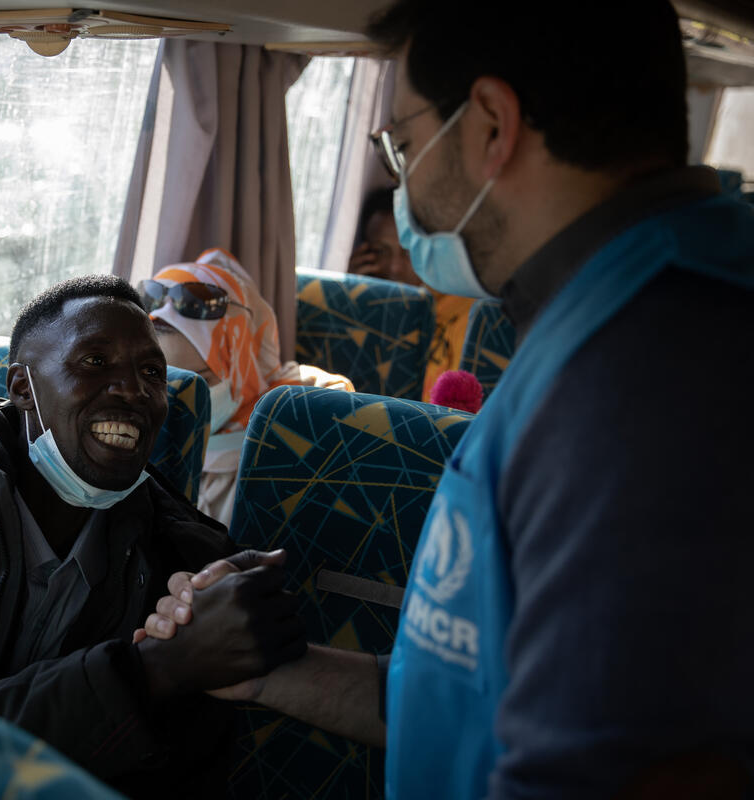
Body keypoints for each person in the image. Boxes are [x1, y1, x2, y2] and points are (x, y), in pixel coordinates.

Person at [137, 1, 754, 797]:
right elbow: (471, 700)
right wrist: (266, 673)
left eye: (402, 142)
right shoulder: (614, 312)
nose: (403, 179)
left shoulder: (650, 377)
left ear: (492, 125)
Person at [0, 275, 306, 797]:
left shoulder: (187, 563)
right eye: (95, 362)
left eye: (151, 373)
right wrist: (152, 671)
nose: (133, 390)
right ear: (23, 388)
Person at [140, 247, 353, 526]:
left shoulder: (305, 416)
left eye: (200, 382)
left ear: (242, 365)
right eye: (159, 380)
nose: (178, 401)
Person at [350, 185, 476, 404]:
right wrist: (352, 296)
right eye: (381, 251)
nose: (395, 267)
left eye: (407, 252)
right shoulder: (352, 310)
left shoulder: (465, 312)